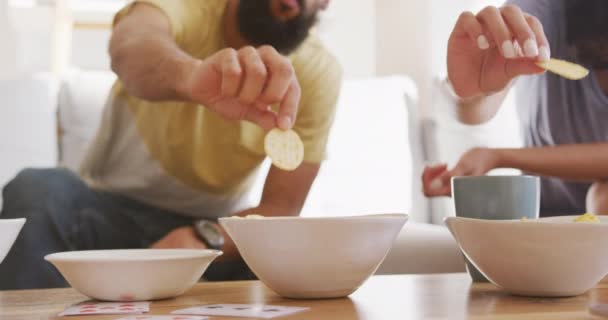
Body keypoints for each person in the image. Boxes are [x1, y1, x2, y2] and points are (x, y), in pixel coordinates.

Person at [0, 0, 341, 290]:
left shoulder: (318, 73)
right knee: (37, 188)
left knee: (280, 254)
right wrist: (191, 77)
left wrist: (204, 237)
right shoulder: (188, 7)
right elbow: (131, 45)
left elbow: (280, 208)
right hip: (106, 212)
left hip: (214, 234)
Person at [422, 0, 608, 217]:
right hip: (544, 217)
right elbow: (476, 110)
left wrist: (498, 157)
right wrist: (474, 91)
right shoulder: (543, 9)